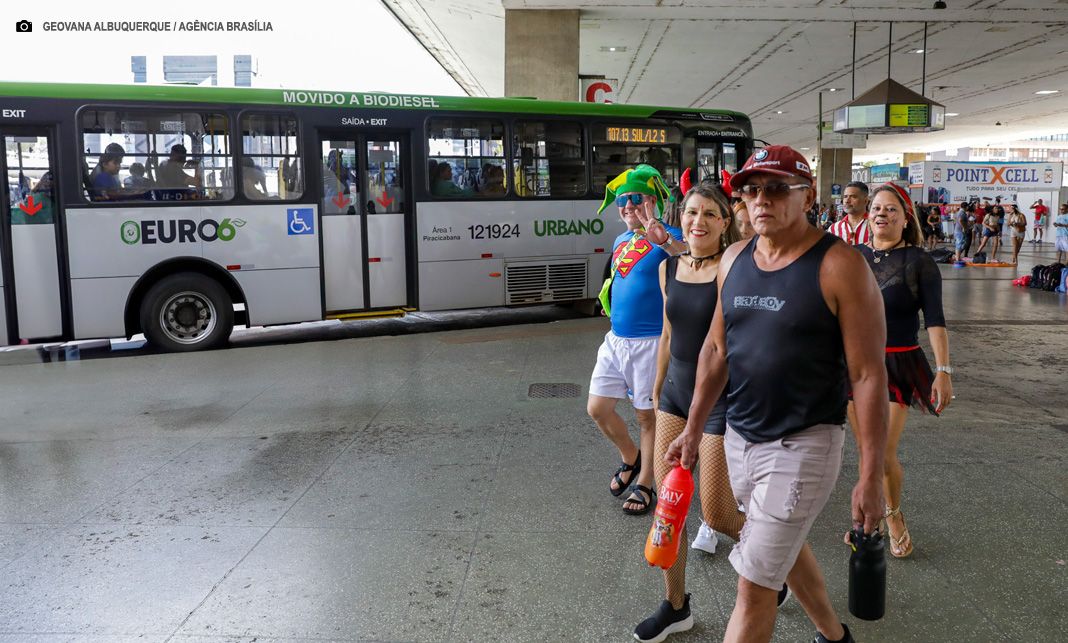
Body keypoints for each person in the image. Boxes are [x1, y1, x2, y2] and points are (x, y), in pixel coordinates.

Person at [666, 146, 888, 643]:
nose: (759, 199)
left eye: (775, 188)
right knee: (781, 552)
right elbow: (716, 350)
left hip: (803, 444)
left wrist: (871, 475)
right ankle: (835, 635)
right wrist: (695, 428)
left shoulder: (840, 266)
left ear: (806, 195)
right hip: (740, 439)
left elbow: (870, 375)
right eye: (750, 189)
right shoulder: (734, 258)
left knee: (753, 587)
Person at [636, 182, 767, 642]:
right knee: (669, 514)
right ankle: (676, 606)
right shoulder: (668, 268)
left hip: (717, 403)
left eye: (710, 214)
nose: (698, 221)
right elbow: (669, 335)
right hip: (674, 397)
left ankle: (775, 566)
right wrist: (655, 389)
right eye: (692, 212)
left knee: (717, 515)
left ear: (725, 222)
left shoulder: (732, 270)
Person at [852, 183, 953, 559]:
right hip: (855, 365)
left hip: (897, 364)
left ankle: (892, 516)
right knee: (866, 452)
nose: (882, 214)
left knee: (882, 452)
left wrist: (943, 369)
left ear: (905, 216)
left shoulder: (918, 261)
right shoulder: (853, 256)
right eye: (876, 207)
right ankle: (869, 517)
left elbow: (936, 321)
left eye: (891, 209)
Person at [588, 164, 686, 517]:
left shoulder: (668, 234)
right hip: (616, 339)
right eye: (622, 200)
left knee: (648, 417)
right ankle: (632, 456)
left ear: (655, 201)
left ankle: (646, 482)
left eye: (636, 198)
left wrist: (664, 240)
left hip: (650, 342)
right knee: (597, 408)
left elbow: (692, 257)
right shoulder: (620, 240)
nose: (627, 206)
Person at [828, 181, 871, 245]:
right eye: (845, 196)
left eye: (853, 197)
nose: (847, 201)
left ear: (865, 201)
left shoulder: (876, 226)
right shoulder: (833, 229)